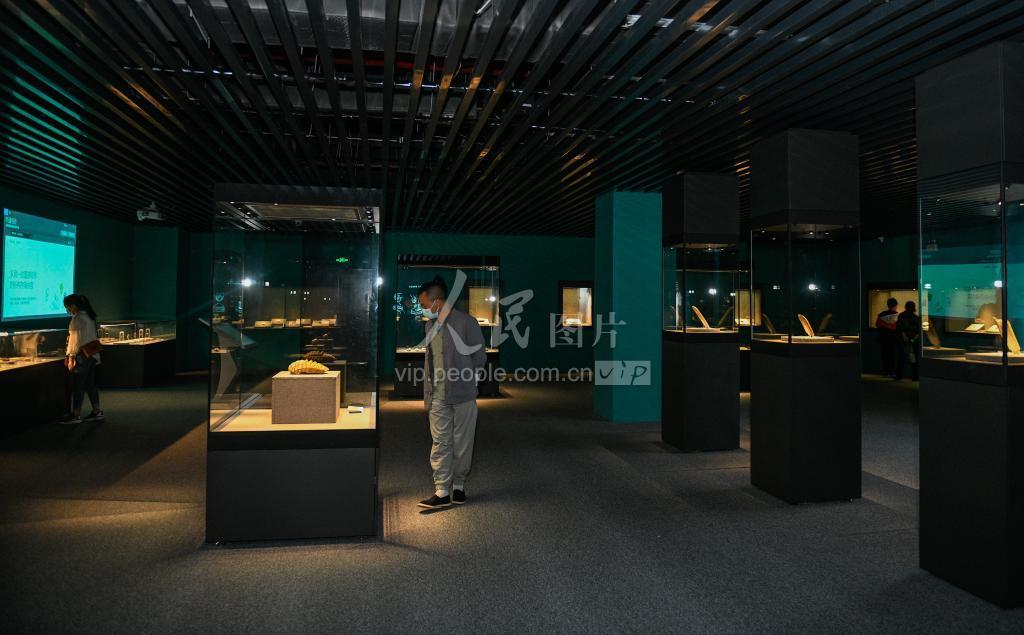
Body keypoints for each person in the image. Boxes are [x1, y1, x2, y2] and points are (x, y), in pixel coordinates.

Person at [416, 276, 487, 509]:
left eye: (424, 304)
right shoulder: (429, 326)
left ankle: (458, 486)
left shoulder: (467, 322)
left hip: (463, 394)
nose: (423, 309)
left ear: (437, 301)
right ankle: (442, 490)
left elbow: (479, 357)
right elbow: (430, 361)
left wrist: (467, 380)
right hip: (437, 395)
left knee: (463, 442)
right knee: (440, 442)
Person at [60, 294, 104, 424]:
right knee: (90, 385)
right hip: (92, 354)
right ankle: (97, 411)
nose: (68, 310)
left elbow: (74, 341)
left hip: (81, 356)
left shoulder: (77, 319)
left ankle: (76, 415)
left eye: (68, 307)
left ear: (73, 305)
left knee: (78, 386)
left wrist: (70, 356)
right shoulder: (89, 316)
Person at [895, 300, 921, 381]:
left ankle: (899, 376)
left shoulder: (901, 316)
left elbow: (900, 328)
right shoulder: (916, 318)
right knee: (914, 360)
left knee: (901, 359)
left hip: (903, 342)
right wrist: (913, 340)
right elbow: (918, 332)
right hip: (913, 342)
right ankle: (915, 376)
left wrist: (904, 337)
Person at [875, 297, 899, 377]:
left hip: (883, 338)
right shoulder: (896, 316)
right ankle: (892, 372)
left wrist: (885, 326)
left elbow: (877, 324)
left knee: (884, 355)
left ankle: (885, 372)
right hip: (892, 338)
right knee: (892, 356)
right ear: (895, 306)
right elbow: (895, 327)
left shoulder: (882, 314)